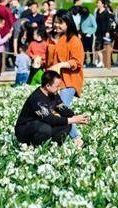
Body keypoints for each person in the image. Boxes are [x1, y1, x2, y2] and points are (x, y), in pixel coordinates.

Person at [14, 71, 89, 146]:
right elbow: (50, 119)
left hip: (40, 125)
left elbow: (63, 109)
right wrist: (73, 120)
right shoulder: (37, 98)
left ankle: (53, 146)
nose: (58, 88)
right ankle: (34, 147)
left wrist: (77, 117)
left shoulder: (53, 94)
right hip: (25, 129)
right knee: (45, 129)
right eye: (57, 86)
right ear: (47, 85)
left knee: (67, 125)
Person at [46, 9, 85, 148]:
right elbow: (49, 62)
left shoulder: (74, 39)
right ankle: (72, 139)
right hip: (54, 82)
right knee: (55, 111)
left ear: (68, 23)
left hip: (69, 81)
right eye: (55, 22)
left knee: (61, 110)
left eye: (60, 22)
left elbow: (77, 61)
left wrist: (61, 65)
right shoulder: (51, 38)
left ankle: (77, 139)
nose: (57, 25)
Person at [94, 0, 113, 67]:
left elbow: (108, 22)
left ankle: (103, 61)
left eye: (99, 3)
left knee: (104, 47)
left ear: (102, 4)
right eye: (97, 3)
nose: (97, 4)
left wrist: (107, 32)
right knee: (98, 47)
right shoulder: (97, 11)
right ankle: (100, 61)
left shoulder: (106, 12)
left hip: (105, 31)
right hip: (98, 31)